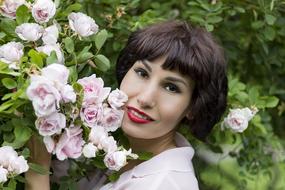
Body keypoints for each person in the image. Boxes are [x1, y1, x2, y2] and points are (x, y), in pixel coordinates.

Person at [25, 20, 228, 190]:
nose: (146, 98)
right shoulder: (115, 146)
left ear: (193, 107)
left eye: (171, 88)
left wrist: (37, 172)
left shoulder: (165, 184)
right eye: (142, 73)